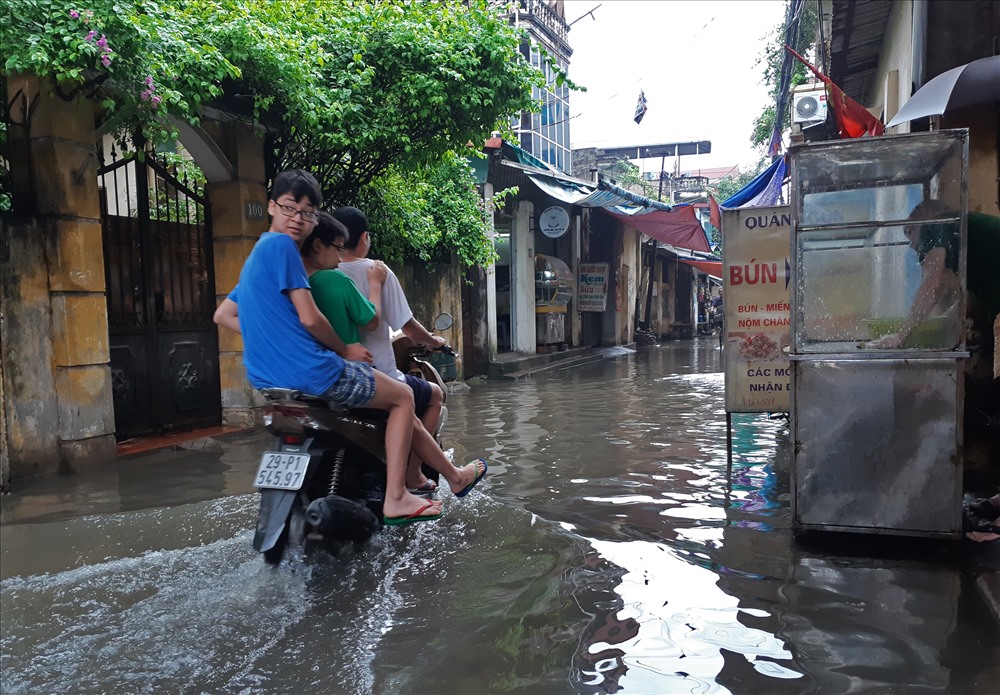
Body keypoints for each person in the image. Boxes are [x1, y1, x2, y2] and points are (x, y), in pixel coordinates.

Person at [213, 170, 486, 524]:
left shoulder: (256, 257)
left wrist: (274, 337)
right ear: (271, 206)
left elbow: (224, 314)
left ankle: (432, 478)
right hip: (315, 373)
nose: (298, 218)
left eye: (307, 212)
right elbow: (317, 319)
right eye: (290, 208)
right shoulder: (287, 250)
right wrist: (345, 349)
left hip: (272, 384)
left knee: (397, 398)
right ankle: (399, 495)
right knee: (403, 398)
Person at [332, 206, 448, 493]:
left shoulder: (316, 275)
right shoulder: (377, 271)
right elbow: (404, 327)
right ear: (364, 238)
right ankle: (412, 475)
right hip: (372, 377)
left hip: (326, 376)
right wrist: (433, 341)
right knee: (433, 395)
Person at [874, 199, 962, 349]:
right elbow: (940, 291)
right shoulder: (954, 230)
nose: (912, 245)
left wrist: (900, 337)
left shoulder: (931, 226)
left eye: (909, 232)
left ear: (917, 225)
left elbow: (931, 285)